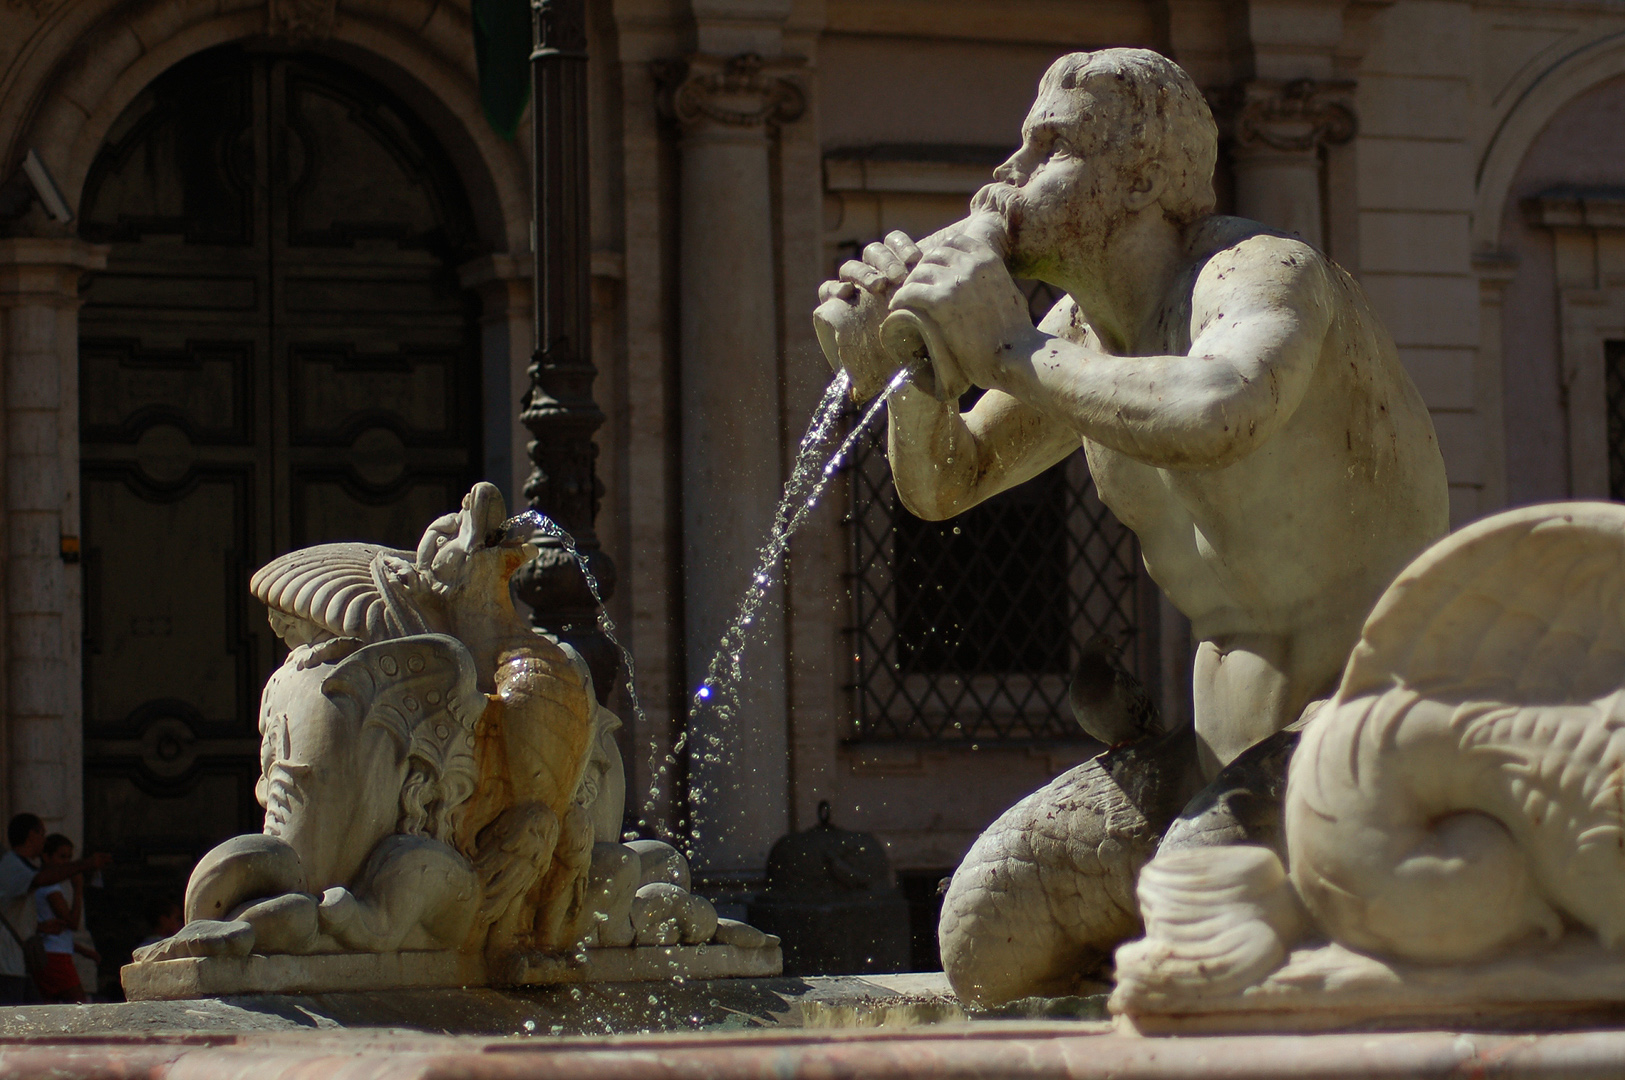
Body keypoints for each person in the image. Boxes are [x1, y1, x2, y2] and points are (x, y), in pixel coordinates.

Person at [819, 48, 1449, 776]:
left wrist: (1005, 348)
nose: (1006, 171)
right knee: (997, 889)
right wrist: (912, 367)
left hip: (1372, 733)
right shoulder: (1084, 330)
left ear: (1142, 180)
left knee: (1204, 875)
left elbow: (1218, 409)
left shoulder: (1260, 270)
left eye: (1049, 146)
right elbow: (949, 484)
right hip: (1217, 757)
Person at [0, 814, 110, 1005]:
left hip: (22, 961)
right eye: (42, 833)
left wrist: (41, 927)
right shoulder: (11, 864)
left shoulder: (22, 867)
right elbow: (40, 880)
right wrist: (85, 865)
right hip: (8, 962)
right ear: (32, 835)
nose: (44, 840)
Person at [33, 836, 99, 1003]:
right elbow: (72, 923)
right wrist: (78, 890)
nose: (67, 863)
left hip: (51, 953)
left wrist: (85, 952)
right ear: (46, 857)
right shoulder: (50, 887)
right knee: (79, 1006)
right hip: (56, 958)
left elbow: (61, 931)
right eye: (62, 857)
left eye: (69, 858)